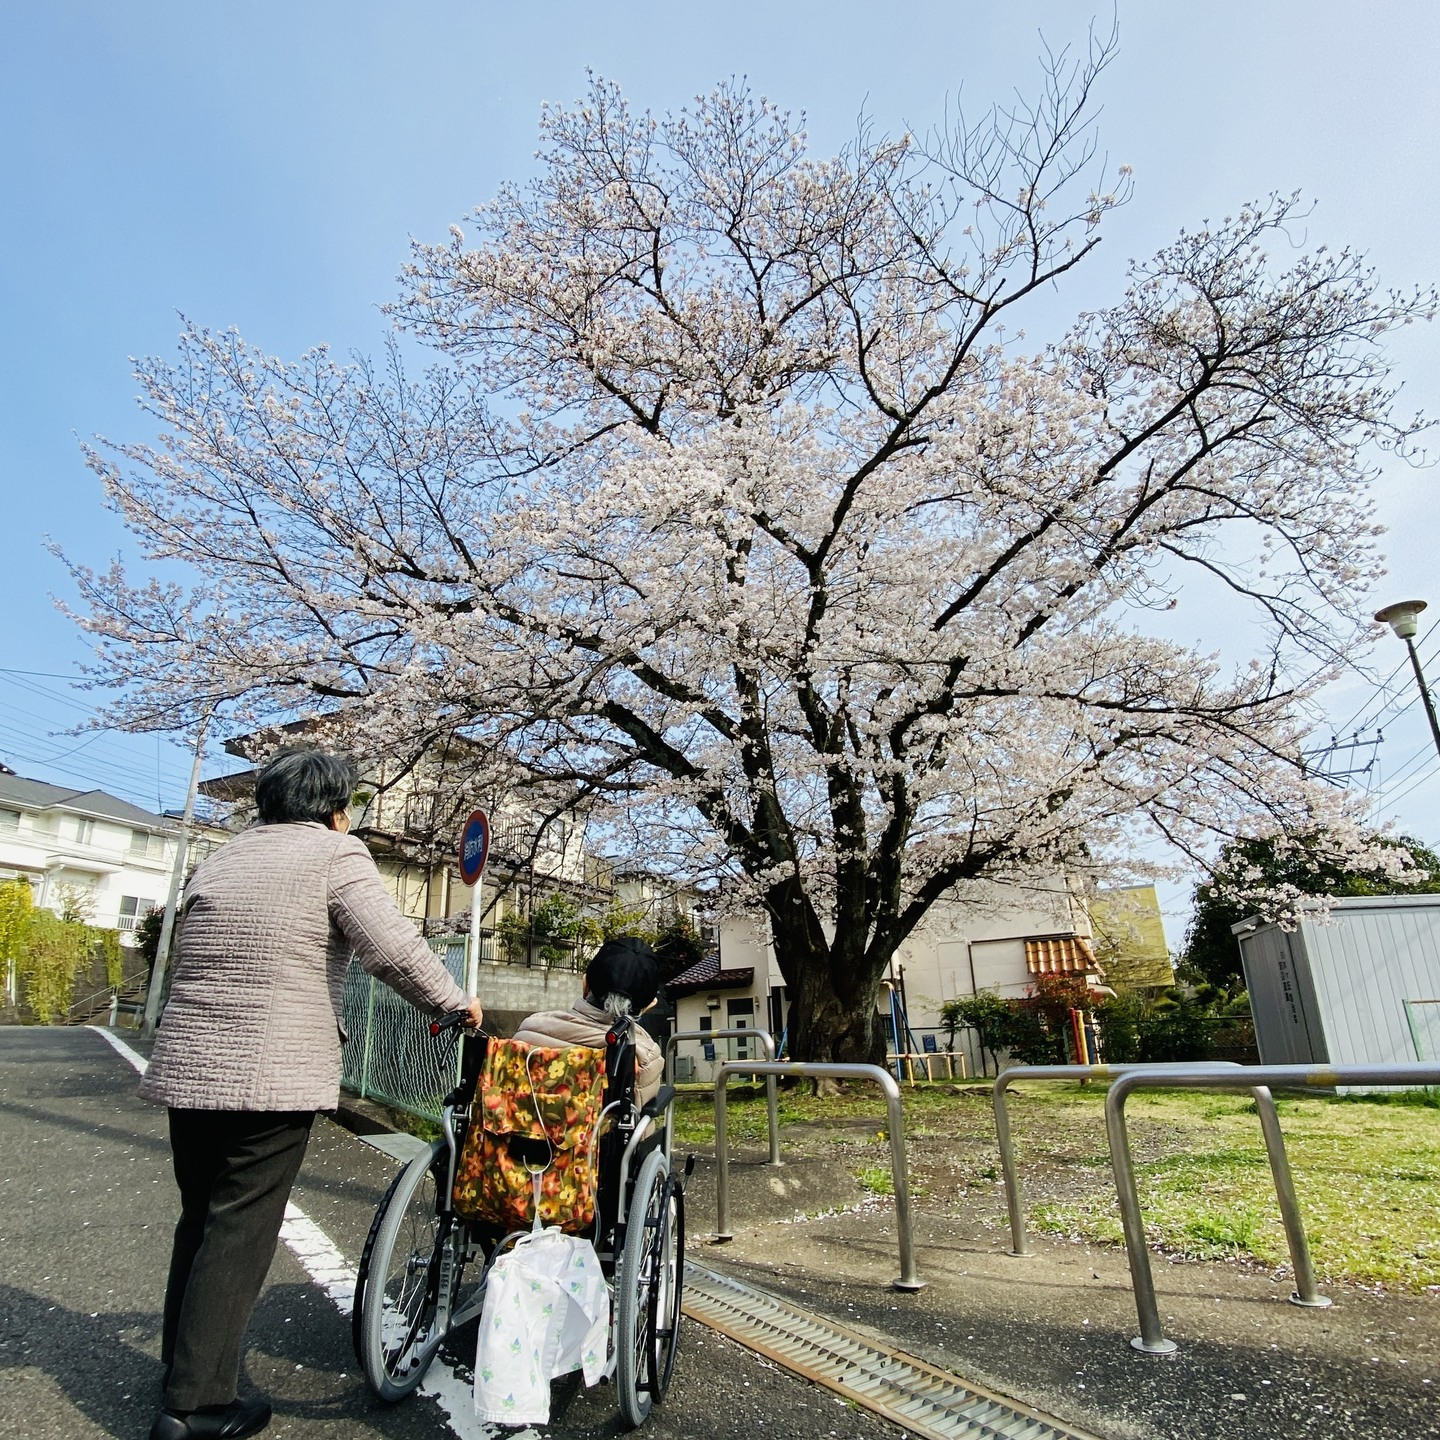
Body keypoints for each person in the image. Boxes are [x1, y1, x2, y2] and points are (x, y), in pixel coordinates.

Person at [139, 747, 483, 1440]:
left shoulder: (225, 856)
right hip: (270, 1071)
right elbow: (390, 948)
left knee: (200, 1219)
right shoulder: (335, 853)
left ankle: (182, 1373)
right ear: (335, 807)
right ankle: (197, 1405)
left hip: (191, 1065)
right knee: (239, 1230)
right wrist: (454, 1003)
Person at [511, 935, 664, 1104]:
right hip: (599, 1130)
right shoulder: (643, 1054)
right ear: (650, 1004)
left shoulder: (530, 1028)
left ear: (585, 984)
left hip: (520, 1127)